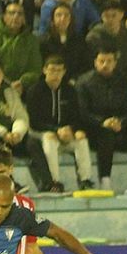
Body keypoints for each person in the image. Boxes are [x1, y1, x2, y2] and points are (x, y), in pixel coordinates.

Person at [25, 55, 95, 192]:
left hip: (66, 133)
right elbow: (34, 121)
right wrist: (56, 130)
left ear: (64, 72)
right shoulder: (34, 91)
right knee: (49, 139)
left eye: (59, 70)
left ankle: (85, 180)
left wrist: (74, 130)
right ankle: (54, 181)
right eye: (52, 70)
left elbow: (77, 116)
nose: (55, 74)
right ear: (44, 70)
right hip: (42, 132)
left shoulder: (70, 91)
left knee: (81, 139)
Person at [76, 45, 127, 191]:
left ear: (115, 63)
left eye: (109, 61)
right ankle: (105, 179)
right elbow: (83, 113)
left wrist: (121, 122)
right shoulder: (84, 83)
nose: (105, 65)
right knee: (106, 134)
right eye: (102, 61)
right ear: (95, 62)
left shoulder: (123, 82)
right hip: (95, 130)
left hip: (120, 128)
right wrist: (102, 122)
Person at [0, 0, 43, 93]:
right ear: (4, 16)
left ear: (24, 18)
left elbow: (35, 69)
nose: (16, 17)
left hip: (22, 87)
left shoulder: (31, 39)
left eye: (20, 14)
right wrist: (4, 83)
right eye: (12, 13)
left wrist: (22, 82)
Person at [85, 0, 127, 84]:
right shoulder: (94, 37)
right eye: (106, 16)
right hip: (100, 82)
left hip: (126, 81)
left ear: (121, 15)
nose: (110, 19)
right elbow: (90, 65)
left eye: (114, 15)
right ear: (101, 17)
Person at [38, 2, 88, 83]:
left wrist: (74, 79)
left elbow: (85, 65)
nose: (62, 18)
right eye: (58, 15)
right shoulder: (43, 41)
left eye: (66, 15)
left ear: (71, 19)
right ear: (53, 19)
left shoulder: (79, 40)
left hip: (74, 82)